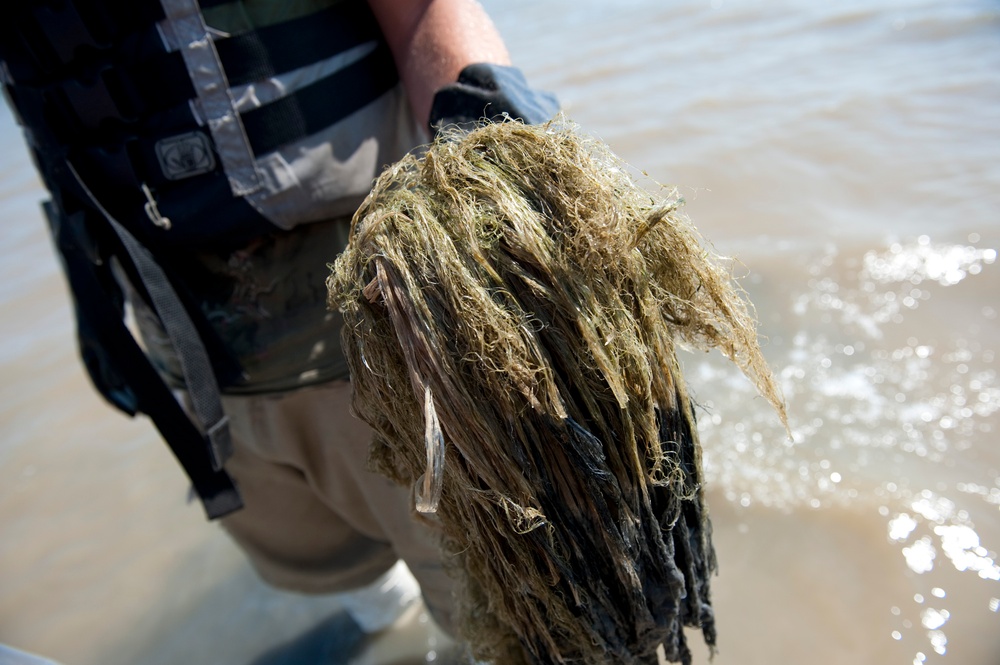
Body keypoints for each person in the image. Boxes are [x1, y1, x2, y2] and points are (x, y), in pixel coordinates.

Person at [0, 0, 557, 661]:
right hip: (186, 349)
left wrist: (489, 143)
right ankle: (387, 622)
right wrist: (89, 297)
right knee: (328, 563)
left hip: (382, 330)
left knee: (501, 602)